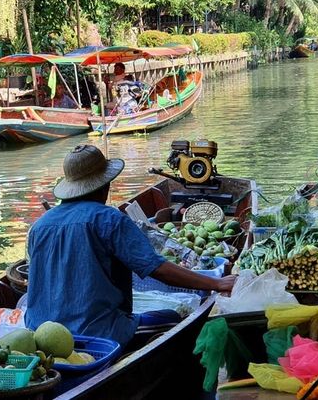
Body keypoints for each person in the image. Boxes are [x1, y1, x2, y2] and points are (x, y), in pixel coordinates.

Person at [24, 145, 236, 346]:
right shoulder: (109, 219)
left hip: (39, 334)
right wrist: (216, 283)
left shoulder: (39, 226)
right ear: (105, 184)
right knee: (174, 318)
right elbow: (157, 269)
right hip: (97, 333)